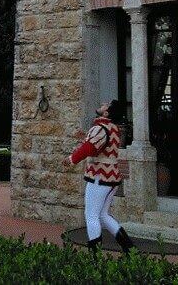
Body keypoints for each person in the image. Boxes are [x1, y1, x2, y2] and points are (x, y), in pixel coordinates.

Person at [64, 99, 135, 254]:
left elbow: (89, 148)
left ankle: (95, 256)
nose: (102, 103)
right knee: (103, 215)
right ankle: (129, 249)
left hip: (99, 177)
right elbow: (100, 146)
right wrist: (84, 136)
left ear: (106, 112)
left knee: (91, 215)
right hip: (111, 178)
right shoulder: (113, 128)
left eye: (106, 105)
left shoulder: (100, 128)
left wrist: (71, 159)